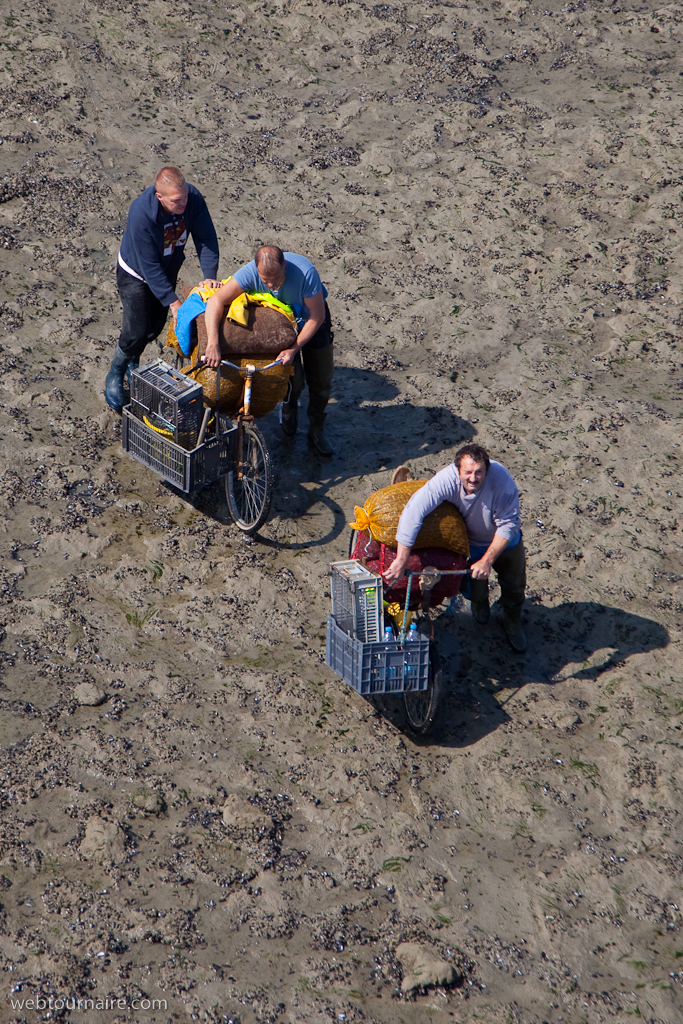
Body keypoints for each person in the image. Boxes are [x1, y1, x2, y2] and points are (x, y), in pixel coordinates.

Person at [383, 443, 528, 652]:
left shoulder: (502, 481)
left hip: (506, 543)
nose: (473, 478)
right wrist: (402, 557)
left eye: (479, 472)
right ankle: (480, 603)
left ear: (487, 470)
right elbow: (414, 510)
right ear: (457, 469)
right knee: (475, 588)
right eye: (467, 472)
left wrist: (487, 560)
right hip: (473, 544)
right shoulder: (446, 479)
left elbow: (509, 524)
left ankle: (512, 621)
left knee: (514, 586)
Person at [105, 166, 219, 412]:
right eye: (177, 201)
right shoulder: (141, 213)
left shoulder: (193, 200)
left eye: (185, 196)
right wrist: (174, 302)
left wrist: (210, 277)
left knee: (155, 326)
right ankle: (116, 371)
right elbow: (149, 266)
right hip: (136, 272)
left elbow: (206, 238)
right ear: (160, 197)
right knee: (135, 328)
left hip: (167, 268)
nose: (184, 203)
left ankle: (133, 359)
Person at [203, 245, 334, 456]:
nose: (271, 284)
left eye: (276, 279)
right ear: (256, 270)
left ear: (285, 266)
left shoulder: (305, 274)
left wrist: (295, 348)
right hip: (282, 322)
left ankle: (317, 427)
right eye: (265, 281)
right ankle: (290, 409)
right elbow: (216, 300)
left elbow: (316, 317)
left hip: (311, 320)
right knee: (294, 379)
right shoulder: (249, 273)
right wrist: (213, 343)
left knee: (321, 379)